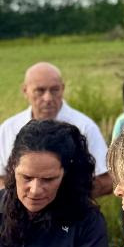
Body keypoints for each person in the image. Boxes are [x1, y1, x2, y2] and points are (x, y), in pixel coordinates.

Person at [0, 63, 112, 197]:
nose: (48, 98)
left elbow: (107, 180)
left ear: (62, 89)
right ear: (25, 91)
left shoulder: (84, 127)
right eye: (40, 90)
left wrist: (65, 200)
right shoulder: (8, 128)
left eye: (54, 90)